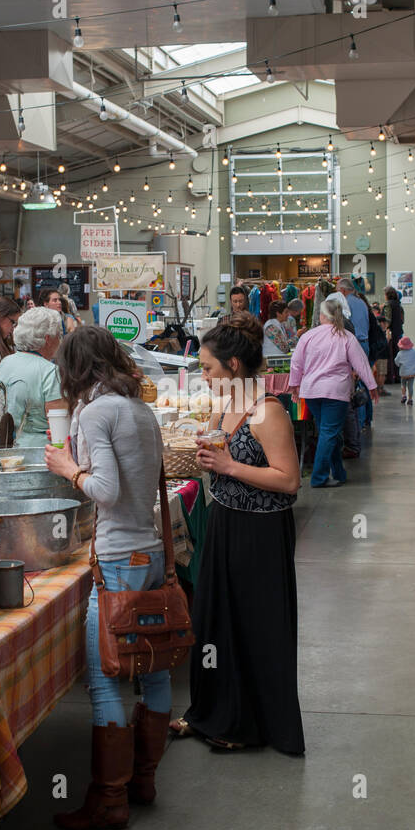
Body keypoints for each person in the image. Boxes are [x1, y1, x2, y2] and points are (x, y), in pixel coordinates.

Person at [42, 326, 167, 830]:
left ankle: (110, 801)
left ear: (74, 369)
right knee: (154, 669)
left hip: (119, 559)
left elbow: (107, 491)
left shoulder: (94, 412)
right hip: (153, 554)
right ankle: (143, 779)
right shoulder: (139, 408)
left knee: (106, 677)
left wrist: (68, 468)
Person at [173, 312, 304, 754]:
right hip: (225, 520)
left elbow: (288, 481)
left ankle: (247, 725)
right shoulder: (227, 406)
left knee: (254, 626)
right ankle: (210, 713)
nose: (203, 375)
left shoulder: (268, 412)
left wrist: (229, 466)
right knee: (216, 622)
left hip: (260, 533)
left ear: (233, 366)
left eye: (207, 367)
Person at [287, 295, 379, 488]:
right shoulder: (346, 337)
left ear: (321, 316)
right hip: (335, 392)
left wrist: (294, 385)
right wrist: (372, 386)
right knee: (329, 432)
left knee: (329, 432)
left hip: (311, 391)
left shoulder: (308, 336)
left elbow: (296, 362)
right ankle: (319, 478)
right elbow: (361, 364)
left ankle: (338, 472)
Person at [0, 305, 66, 447]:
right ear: (48, 339)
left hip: (5, 450)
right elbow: (58, 425)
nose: (60, 341)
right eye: (59, 335)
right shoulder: (51, 372)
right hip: (41, 454)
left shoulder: (3, 364)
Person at [383, 287, 404, 383]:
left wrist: (384, 329)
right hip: (398, 332)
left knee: (389, 356)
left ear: (387, 295)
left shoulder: (387, 305)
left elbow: (387, 320)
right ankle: (398, 376)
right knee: (397, 356)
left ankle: (390, 377)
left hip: (390, 333)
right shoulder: (399, 306)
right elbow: (402, 320)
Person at [395, 337, 415, 404]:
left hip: (403, 373)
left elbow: (396, 361)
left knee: (403, 384)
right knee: (410, 386)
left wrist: (399, 365)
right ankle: (410, 399)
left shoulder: (400, 353)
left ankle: (403, 396)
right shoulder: (414, 352)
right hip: (412, 372)